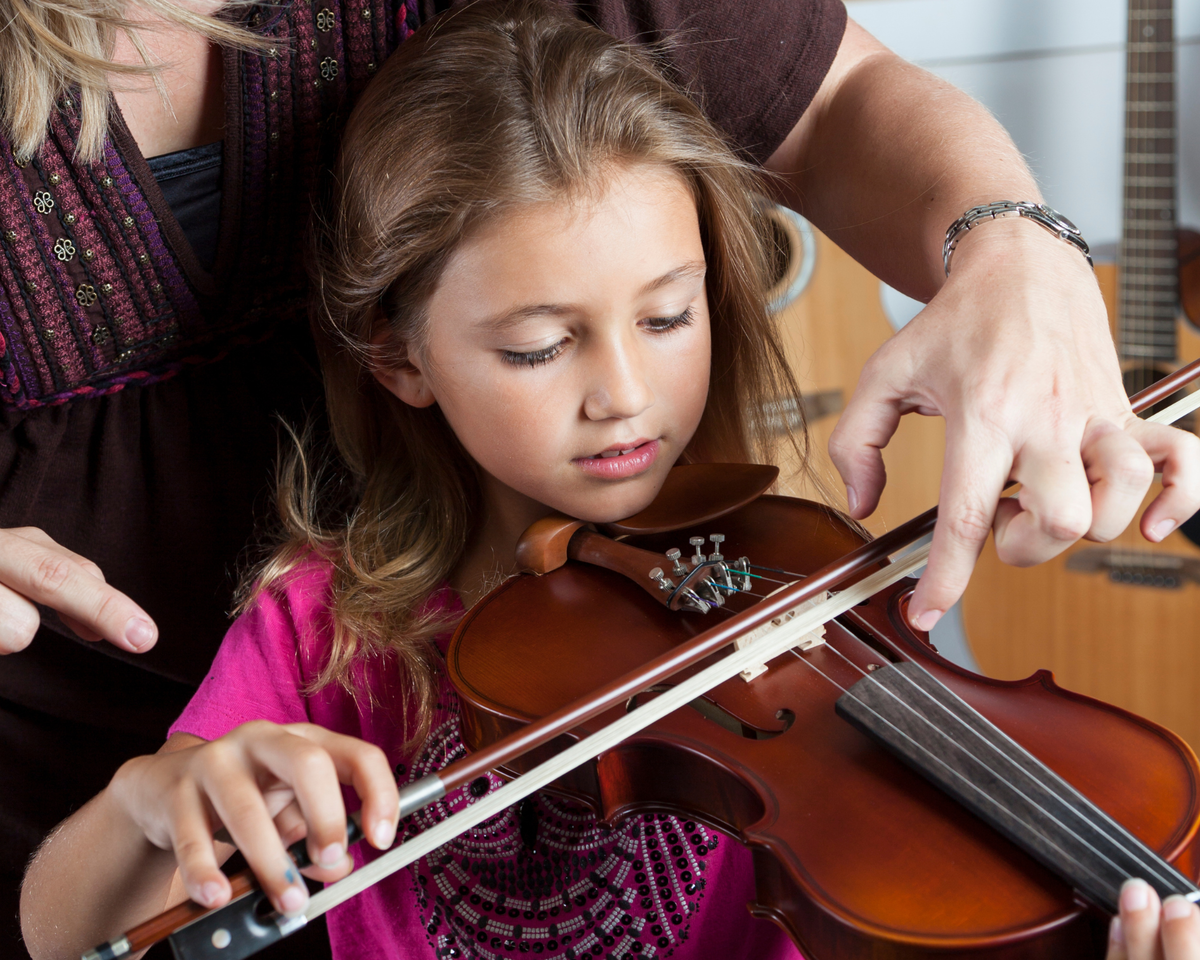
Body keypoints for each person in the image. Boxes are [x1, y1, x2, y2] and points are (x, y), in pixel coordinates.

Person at [3, 0, 1199, 955]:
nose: (624, 394)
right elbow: (65, 929)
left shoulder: (792, 566)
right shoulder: (323, 636)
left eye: (671, 316)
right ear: (398, 357)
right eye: (537, 346)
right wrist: (150, 806)